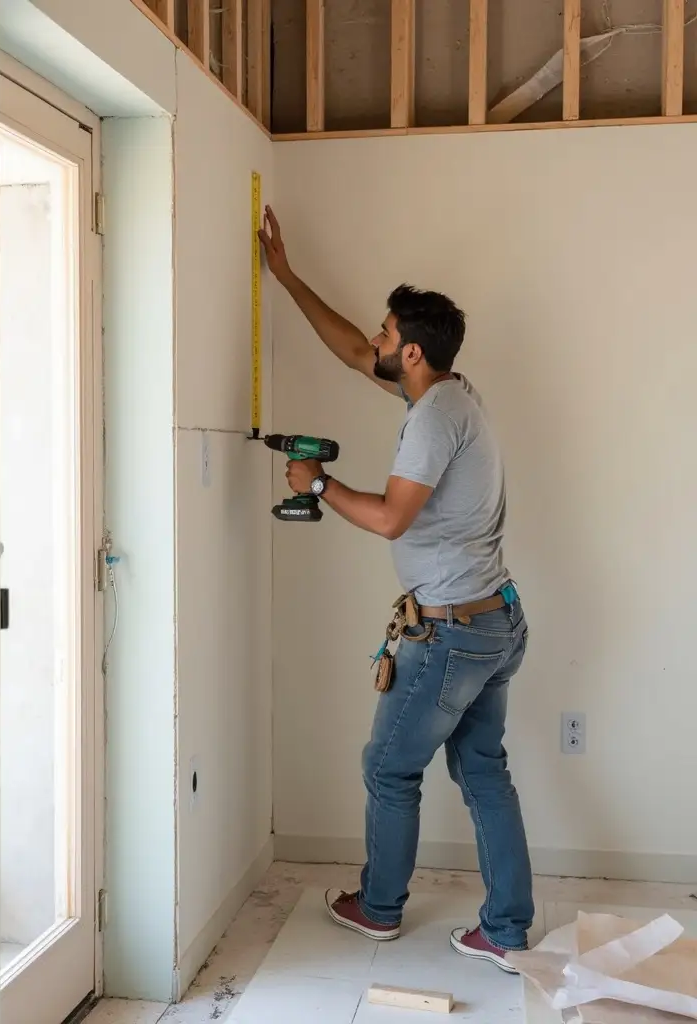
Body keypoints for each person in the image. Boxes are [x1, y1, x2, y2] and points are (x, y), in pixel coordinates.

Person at [259, 207, 534, 974]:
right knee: (482, 769)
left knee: (388, 768)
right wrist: (285, 276)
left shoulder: (432, 421)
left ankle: (379, 911)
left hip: (450, 632)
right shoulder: (446, 395)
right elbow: (351, 351)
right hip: (495, 619)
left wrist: (318, 483)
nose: (373, 344)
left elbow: (388, 519)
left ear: (411, 353)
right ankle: (508, 931)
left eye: (387, 336)